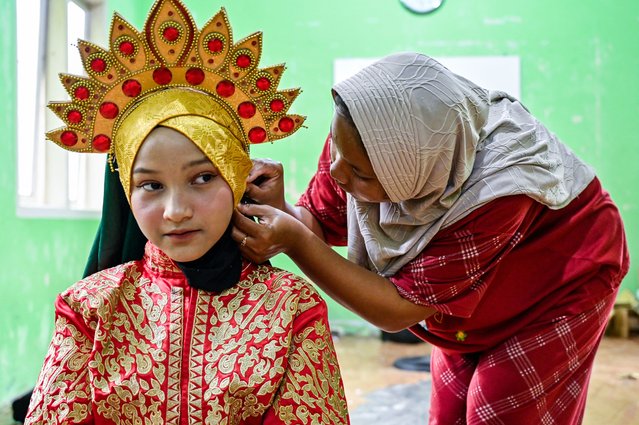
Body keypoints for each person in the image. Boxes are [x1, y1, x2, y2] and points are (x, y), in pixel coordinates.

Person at [232, 52, 630, 424]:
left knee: (500, 407)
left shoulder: (496, 192)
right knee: (450, 412)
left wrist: (294, 242)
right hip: (471, 298)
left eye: (360, 174)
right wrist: (282, 207)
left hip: (562, 278)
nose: (337, 173)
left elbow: (396, 310)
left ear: (415, 174)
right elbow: (317, 221)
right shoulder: (362, 135)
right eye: (337, 150)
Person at [24, 1, 349, 423]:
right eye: (151, 185)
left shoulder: (290, 310)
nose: (176, 211)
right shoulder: (89, 309)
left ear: (236, 180)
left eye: (202, 179)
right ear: (126, 192)